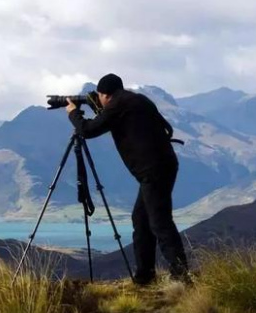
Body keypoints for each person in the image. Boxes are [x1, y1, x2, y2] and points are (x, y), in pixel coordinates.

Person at [65, 73, 190, 285]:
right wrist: (100, 111)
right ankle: (145, 276)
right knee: (141, 220)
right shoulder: (137, 100)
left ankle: (181, 276)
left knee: (160, 222)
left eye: (100, 97)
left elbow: (87, 130)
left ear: (104, 95)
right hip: (163, 165)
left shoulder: (117, 105)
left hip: (153, 171)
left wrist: (73, 113)